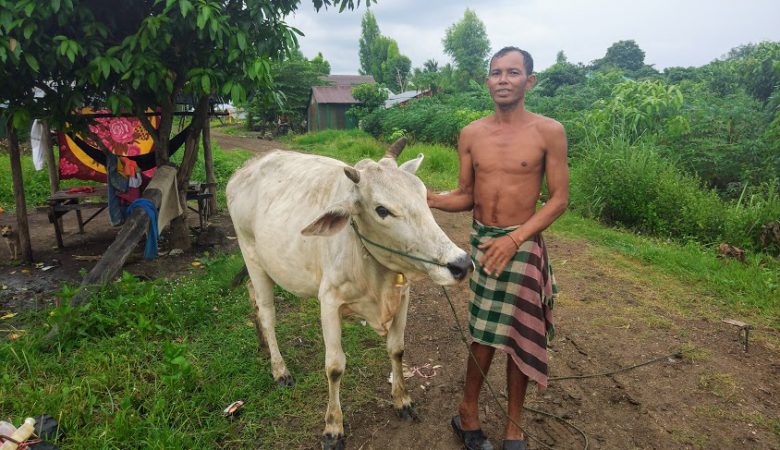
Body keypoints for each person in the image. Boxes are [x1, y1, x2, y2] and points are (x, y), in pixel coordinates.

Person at [428, 47, 569, 450]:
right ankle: (467, 412)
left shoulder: (549, 131)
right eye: (495, 73)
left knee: (520, 335)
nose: (503, 79)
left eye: (513, 72)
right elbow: (466, 195)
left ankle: (513, 427)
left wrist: (514, 238)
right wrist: (433, 199)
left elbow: (558, 200)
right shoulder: (472, 133)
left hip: (521, 245)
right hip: (484, 243)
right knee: (485, 334)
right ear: (487, 81)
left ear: (530, 81)